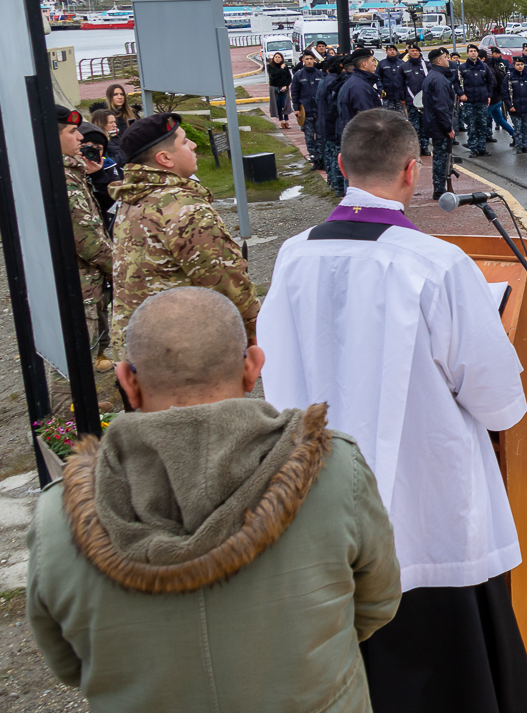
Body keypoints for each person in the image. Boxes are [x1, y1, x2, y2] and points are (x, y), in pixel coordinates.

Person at [258, 110, 527, 713]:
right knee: (453, 671)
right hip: (427, 506)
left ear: (340, 166)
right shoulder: (435, 263)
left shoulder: (290, 256)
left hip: (316, 499)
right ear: (412, 171)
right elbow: (498, 403)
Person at [26, 286, 402, 713]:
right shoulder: (333, 473)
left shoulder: (61, 517)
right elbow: (378, 601)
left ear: (128, 381)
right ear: (252, 367)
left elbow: (68, 662)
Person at [109, 112, 259, 343]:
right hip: (185, 355)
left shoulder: (132, 199)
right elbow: (228, 286)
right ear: (165, 159)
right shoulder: (184, 208)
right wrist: (255, 338)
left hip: (141, 349)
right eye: (184, 141)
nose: (194, 144)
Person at [58, 106, 114, 370]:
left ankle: (84, 405)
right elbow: (88, 240)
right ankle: (71, 412)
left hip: (88, 281)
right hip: (78, 283)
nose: (80, 138)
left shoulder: (72, 172)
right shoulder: (62, 179)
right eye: (72, 132)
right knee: (74, 360)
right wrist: (119, 267)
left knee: (88, 348)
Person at [422, 48, 459, 193]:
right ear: (438, 61)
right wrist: (447, 128)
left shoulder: (433, 76)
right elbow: (441, 106)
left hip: (435, 123)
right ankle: (439, 189)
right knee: (441, 158)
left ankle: (439, 187)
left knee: (440, 156)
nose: (447, 60)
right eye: (445, 57)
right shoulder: (439, 79)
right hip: (439, 125)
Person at [337, 49, 385, 154]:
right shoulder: (359, 87)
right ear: (364, 64)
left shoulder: (360, 82)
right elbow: (367, 117)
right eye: (372, 61)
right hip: (363, 141)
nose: (374, 64)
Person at [317, 54, 351, 197]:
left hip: (326, 123)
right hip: (333, 124)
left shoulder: (324, 81)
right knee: (337, 155)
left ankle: (333, 183)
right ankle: (339, 187)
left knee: (330, 154)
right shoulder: (336, 82)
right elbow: (335, 107)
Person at [458, 45, 495, 157]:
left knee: (482, 125)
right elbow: (456, 83)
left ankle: (482, 148)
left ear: (477, 53)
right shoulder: (463, 67)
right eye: (471, 51)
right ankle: (473, 149)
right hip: (469, 102)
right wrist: (461, 94)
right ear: (467, 53)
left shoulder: (484, 67)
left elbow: (490, 81)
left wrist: (489, 95)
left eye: (475, 51)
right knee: (472, 126)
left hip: (482, 101)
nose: (473, 53)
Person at [503, 54, 527, 155]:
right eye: (518, 64)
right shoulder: (509, 78)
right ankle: (519, 147)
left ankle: (525, 146)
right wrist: (509, 106)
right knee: (517, 129)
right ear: (514, 65)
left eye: (521, 64)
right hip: (515, 108)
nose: (520, 66)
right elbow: (505, 93)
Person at [398, 45, 432, 157]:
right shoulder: (403, 67)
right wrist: (403, 98)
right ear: (408, 52)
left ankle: (424, 147)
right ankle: (415, 148)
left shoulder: (426, 65)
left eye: (417, 51)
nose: (415, 53)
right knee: (414, 126)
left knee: (425, 126)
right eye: (412, 51)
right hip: (411, 101)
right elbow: (401, 84)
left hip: (425, 102)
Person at [377, 44, 407, 112]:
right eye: (390, 50)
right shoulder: (382, 63)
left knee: (400, 116)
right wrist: (380, 89)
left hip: (400, 96)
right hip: (387, 95)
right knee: (387, 116)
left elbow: (405, 77)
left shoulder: (401, 63)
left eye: (394, 50)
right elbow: (377, 77)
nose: (392, 51)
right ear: (386, 52)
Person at [266, 51, 292, 128]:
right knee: (278, 104)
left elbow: (289, 77)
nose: (277, 59)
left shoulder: (285, 66)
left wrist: (286, 86)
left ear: (282, 59)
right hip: (275, 87)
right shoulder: (270, 66)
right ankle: (281, 121)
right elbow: (273, 76)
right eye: (276, 57)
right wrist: (281, 69)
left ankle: (286, 120)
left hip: (284, 87)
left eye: (279, 57)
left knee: (285, 103)